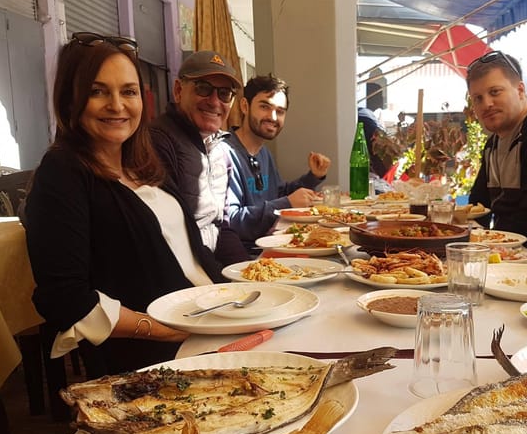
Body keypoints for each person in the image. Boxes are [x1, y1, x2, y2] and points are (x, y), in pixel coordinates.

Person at [24, 32, 225, 378]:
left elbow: (192, 256)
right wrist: (166, 329)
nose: (117, 106)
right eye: (97, 91)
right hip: (160, 358)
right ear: (71, 100)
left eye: (128, 92)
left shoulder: (142, 163)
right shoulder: (63, 173)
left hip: (212, 323)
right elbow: (65, 299)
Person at [150, 50, 248, 265]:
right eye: (203, 88)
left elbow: (222, 226)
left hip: (210, 269)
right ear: (178, 91)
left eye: (224, 93)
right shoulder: (159, 141)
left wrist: (246, 272)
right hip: (181, 277)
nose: (214, 102)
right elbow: (172, 237)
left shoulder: (220, 147)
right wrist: (222, 283)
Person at [226, 74, 330, 251]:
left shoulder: (263, 152)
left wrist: (313, 177)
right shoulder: (225, 154)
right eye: (265, 107)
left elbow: (278, 193)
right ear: (245, 106)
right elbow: (232, 222)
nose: (273, 117)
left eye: (280, 111)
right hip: (251, 257)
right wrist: (286, 204)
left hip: (277, 243)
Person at [466, 50, 527, 252]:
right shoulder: (493, 144)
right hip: (508, 254)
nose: (486, 104)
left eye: (495, 92)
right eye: (477, 98)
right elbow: (478, 206)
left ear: (520, 90)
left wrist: (490, 249)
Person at [357, 106, 390, 178]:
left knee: (374, 155)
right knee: (375, 155)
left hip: (366, 126)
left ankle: (381, 177)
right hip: (369, 126)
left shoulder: (362, 111)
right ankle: (382, 177)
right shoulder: (367, 111)